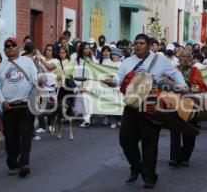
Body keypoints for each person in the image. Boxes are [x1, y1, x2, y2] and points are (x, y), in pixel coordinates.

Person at [102, 33, 188, 189]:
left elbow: (175, 73)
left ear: (149, 45)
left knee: (149, 143)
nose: (138, 46)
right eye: (136, 43)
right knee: (126, 140)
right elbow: (118, 79)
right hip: (132, 105)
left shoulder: (160, 60)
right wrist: (111, 81)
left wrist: (182, 85)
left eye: (141, 43)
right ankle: (136, 167)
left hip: (151, 105)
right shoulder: (127, 61)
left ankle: (149, 177)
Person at [0, 37, 38, 177]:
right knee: (11, 137)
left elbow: (35, 80)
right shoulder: (1, 67)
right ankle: (13, 163)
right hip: (9, 108)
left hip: (26, 105)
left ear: (18, 47)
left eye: (13, 45)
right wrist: (2, 101)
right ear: (4, 50)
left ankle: (24, 163)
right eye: (7, 47)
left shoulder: (27, 62)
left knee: (25, 136)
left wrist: (40, 84)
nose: (10, 48)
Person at [36, 44, 59, 134]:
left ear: (53, 52)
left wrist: (41, 60)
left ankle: (50, 124)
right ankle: (42, 126)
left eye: (50, 50)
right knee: (40, 106)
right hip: (42, 85)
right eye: (47, 50)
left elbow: (50, 67)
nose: (48, 52)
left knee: (51, 106)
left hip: (51, 86)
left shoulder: (55, 60)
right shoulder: (41, 58)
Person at [73, 42, 95, 127]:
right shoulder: (77, 60)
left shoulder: (92, 59)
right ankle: (87, 120)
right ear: (81, 49)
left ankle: (87, 119)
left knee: (90, 102)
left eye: (88, 48)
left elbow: (96, 70)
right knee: (84, 102)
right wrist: (79, 85)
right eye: (85, 48)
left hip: (91, 84)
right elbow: (75, 73)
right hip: (82, 85)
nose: (87, 50)